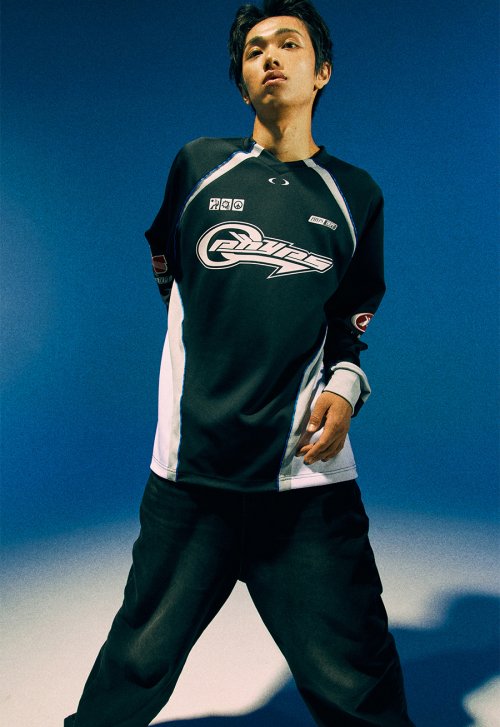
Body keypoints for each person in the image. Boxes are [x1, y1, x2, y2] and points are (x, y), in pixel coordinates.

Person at [65, 1, 415, 725]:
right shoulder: (199, 165)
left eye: (289, 44)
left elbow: (350, 318)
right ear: (242, 80)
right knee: (132, 668)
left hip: (304, 479)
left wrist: (347, 385)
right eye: (255, 50)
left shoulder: (356, 195)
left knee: (361, 685)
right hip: (192, 478)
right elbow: (167, 264)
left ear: (321, 71)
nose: (270, 58)